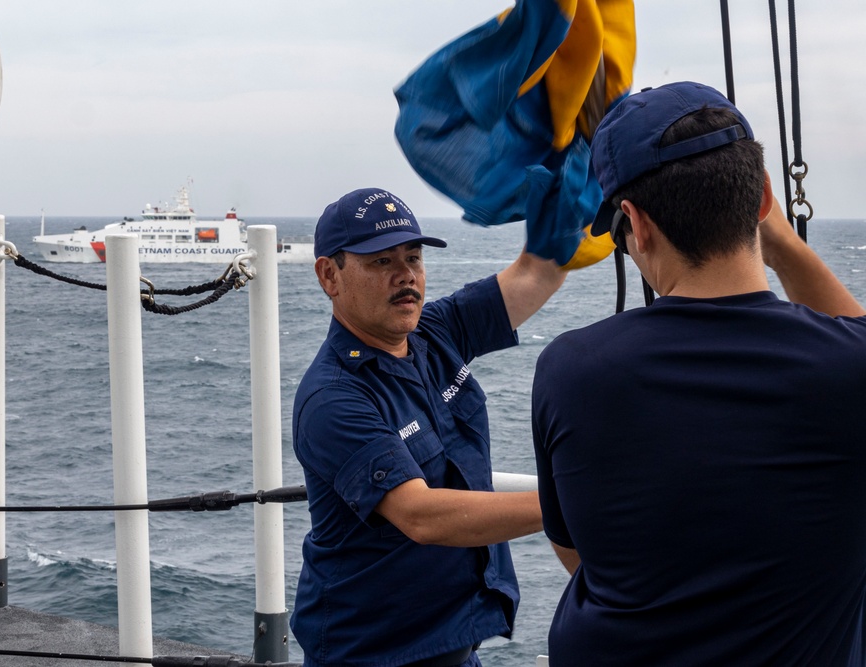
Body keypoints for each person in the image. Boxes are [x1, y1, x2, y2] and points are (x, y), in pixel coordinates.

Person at [531, 81, 866, 666]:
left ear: (635, 221)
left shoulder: (571, 370)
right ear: (763, 198)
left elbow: (579, 553)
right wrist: (782, 244)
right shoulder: (848, 369)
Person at [290, 187, 567, 666]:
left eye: (413, 258)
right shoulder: (332, 398)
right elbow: (421, 515)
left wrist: (568, 200)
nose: (406, 276)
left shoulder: (435, 333)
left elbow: (535, 273)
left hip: (453, 647)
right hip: (373, 655)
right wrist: (571, 502)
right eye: (381, 262)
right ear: (329, 275)